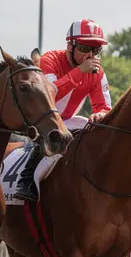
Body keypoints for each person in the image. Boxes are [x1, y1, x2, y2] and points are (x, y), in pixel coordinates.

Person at [12, 19, 112, 203]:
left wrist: (101, 114)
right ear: (70, 46)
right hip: (40, 121)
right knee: (54, 132)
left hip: (67, 119)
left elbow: (104, 107)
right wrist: (80, 71)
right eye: (84, 47)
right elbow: (51, 93)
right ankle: (26, 181)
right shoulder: (49, 59)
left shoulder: (98, 72)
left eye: (95, 50)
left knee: (91, 129)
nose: (90, 55)